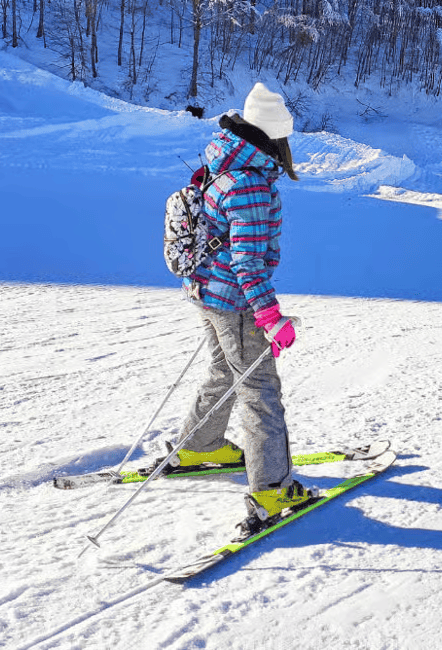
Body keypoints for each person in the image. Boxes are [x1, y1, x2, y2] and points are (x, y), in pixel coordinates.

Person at [171, 82, 312, 531]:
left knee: (223, 371)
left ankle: (201, 445)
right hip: (234, 300)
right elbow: (248, 262)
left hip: (207, 293)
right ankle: (272, 489)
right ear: (274, 137)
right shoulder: (250, 183)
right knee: (260, 391)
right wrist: (269, 316)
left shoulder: (224, 161)